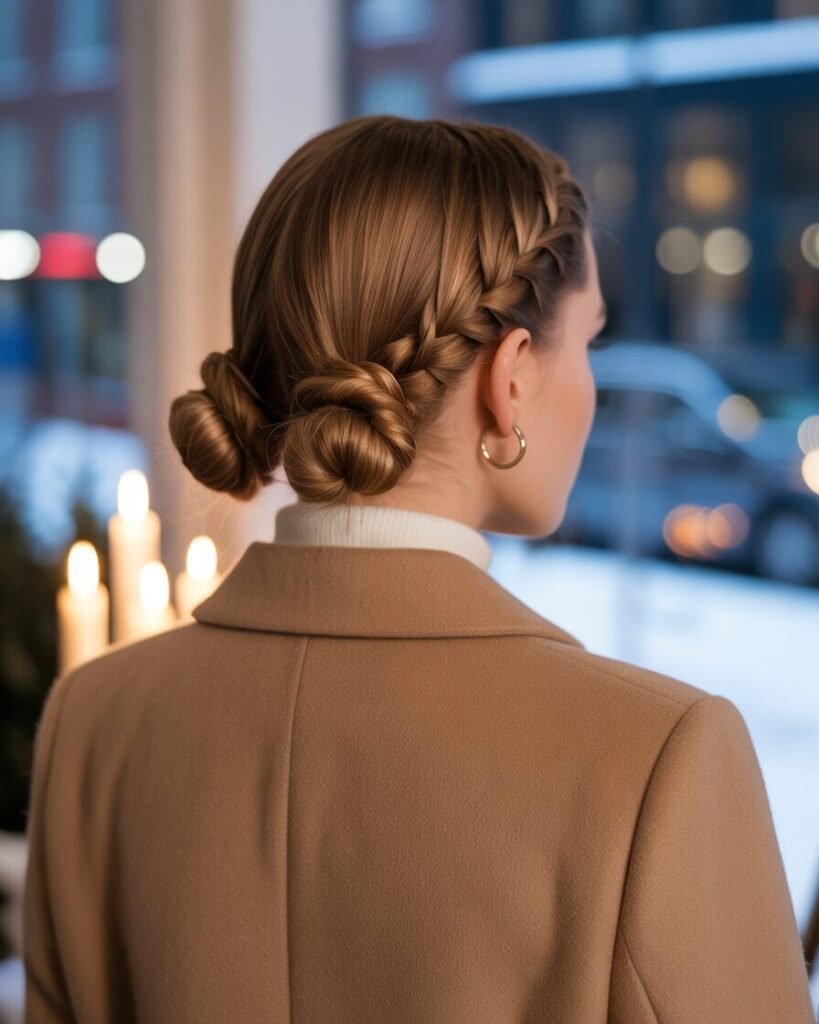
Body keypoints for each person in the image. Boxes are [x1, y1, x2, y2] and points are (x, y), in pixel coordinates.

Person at [22, 115, 815, 1022]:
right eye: (587, 342)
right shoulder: (660, 759)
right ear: (510, 376)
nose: (590, 382)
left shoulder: (91, 724)